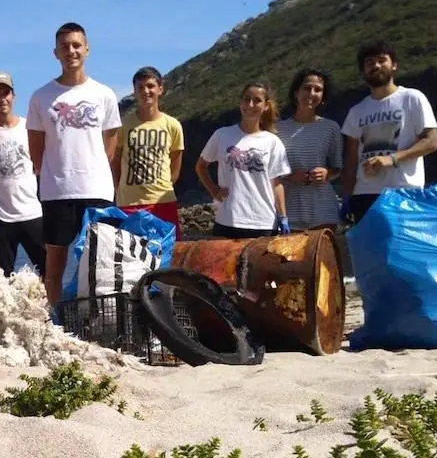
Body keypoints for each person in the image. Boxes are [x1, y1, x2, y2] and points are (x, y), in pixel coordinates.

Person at [26, 22, 122, 308]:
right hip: (57, 191)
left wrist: (95, 171)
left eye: (76, 45)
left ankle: (98, 320)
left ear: (87, 49)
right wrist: (56, 175)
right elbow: (36, 150)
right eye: (65, 46)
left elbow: (111, 146)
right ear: (56, 52)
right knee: (54, 267)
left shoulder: (104, 94)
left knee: (100, 266)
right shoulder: (41, 97)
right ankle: (54, 323)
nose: (71, 51)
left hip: (97, 190)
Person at [340, 40, 437, 225]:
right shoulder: (356, 111)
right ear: (363, 71)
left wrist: (391, 159)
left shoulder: (412, 98)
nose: (376, 66)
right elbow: (351, 159)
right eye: (370, 63)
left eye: (381, 60)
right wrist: (347, 197)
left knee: (404, 252)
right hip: (364, 195)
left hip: (403, 191)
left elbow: (431, 141)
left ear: (394, 65)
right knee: (370, 253)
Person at [195, 82, 291, 239]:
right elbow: (201, 166)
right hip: (228, 220)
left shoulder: (273, 142)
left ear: (266, 106)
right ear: (240, 102)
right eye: (246, 99)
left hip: (264, 223)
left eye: (257, 100)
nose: (250, 104)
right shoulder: (222, 135)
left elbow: (276, 183)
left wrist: (283, 217)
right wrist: (214, 191)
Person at [0, 71, 46, 277]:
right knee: (1, 277)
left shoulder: (28, 127)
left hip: (32, 213)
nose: (2, 98)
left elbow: (40, 164)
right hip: (1, 218)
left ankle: (53, 309)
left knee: (48, 270)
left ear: (13, 96)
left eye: (5, 93)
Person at [112, 66, 185, 240]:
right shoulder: (123, 125)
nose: (146, 91)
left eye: (151, 86)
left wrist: (163, 185)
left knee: (168, 255)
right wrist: (121, 189)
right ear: (135, 92)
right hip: (129, 204)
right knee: (130, 259)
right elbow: (115, 162)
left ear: (160, 89)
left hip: (162, 202)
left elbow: (175, 165)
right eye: (140, 87)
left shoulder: (172, 125)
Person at [275, 69, 343, 231]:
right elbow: (271, 172)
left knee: (323, 256)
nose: (311, 93)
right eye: (307, 88)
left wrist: (326, 173)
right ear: (296, 92)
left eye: (318, 89)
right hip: (289, 210)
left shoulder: (330, 128)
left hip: (323, 210)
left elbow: (337, 167)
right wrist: (291, 176)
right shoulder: (277, 129)